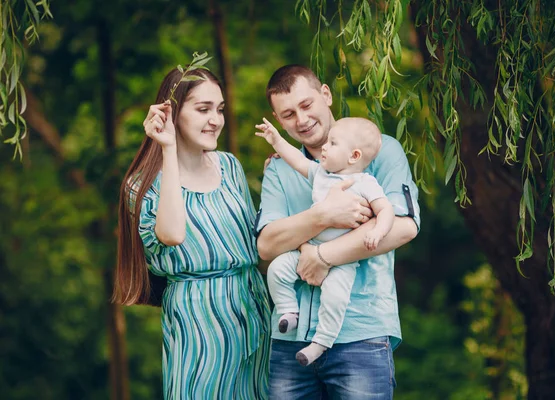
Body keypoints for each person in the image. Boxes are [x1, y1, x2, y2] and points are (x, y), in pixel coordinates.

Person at [256, 65, 420, 399]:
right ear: (277, 118)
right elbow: (267, 244)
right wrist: (324, 215)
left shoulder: (381, 150)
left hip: (361, 333)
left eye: (306, 105)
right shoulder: (279, 167)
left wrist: (322, 256)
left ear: (326, 95)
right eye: (287, 114)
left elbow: (403, 226)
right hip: (290, 342)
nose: (301, 120)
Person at [112, 67, 270, 399]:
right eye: (203, 109)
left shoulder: (229, 167)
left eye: (220, 109)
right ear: (171, 113)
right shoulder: (140, 186)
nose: (216, 119)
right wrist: (168, 149)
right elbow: (171, 235)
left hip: (252, 307)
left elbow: (258, 242)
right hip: (197, 320)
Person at [255, 116, 395, 366]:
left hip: (342, 260)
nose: (325, 147)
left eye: (333, 143)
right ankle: (289, 310)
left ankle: (321, 342)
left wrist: (377, 232)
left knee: (335, 298)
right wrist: (276, 140)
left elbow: (386, 210)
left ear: (353, 156)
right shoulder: (320, 173)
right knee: (277, 270)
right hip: (309, 249)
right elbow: (297, 160)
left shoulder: (365, 183)